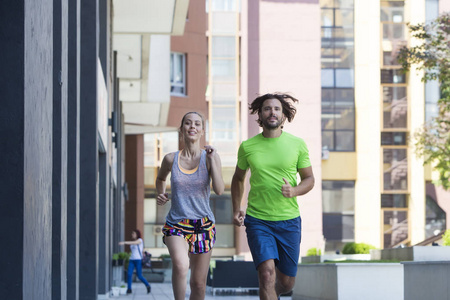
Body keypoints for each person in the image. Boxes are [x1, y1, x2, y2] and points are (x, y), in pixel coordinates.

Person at [231, 93, 315, 300]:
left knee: (286, 283)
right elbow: (237, 179)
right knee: (266, 273)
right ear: (260, 114)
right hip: (258, 220)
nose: (272, 112)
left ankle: (271, 294)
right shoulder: (248, 146)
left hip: (289, 221)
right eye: (267, 108)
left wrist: (294, 191)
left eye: (277, 109)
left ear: (284, 116)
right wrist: (236, 208)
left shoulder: (297, 144)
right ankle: (268, 291)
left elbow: (309, 179)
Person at [156, 112, 225, 300]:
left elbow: (219, 189)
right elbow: (160, 178)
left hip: (203, 225)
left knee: (198, 284)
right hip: (176, 223)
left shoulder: (210, 157)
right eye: (188, 123)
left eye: (197, 124)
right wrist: (160, 193)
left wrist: (212, 161)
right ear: (182, 130)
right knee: (180, 265)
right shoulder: (171, 159)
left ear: (202, 130)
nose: (192, 126)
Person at [119, 229, 151, 294]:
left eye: (133, 233)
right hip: (132, 260)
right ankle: (129, 289)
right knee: (129, 274)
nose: (132, 235)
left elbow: (135, 243)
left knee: (139, 276)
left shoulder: (140, 240)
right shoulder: (133, 242)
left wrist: (124, 242)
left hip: (138, 260)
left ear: (137, 234)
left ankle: (147, 285)